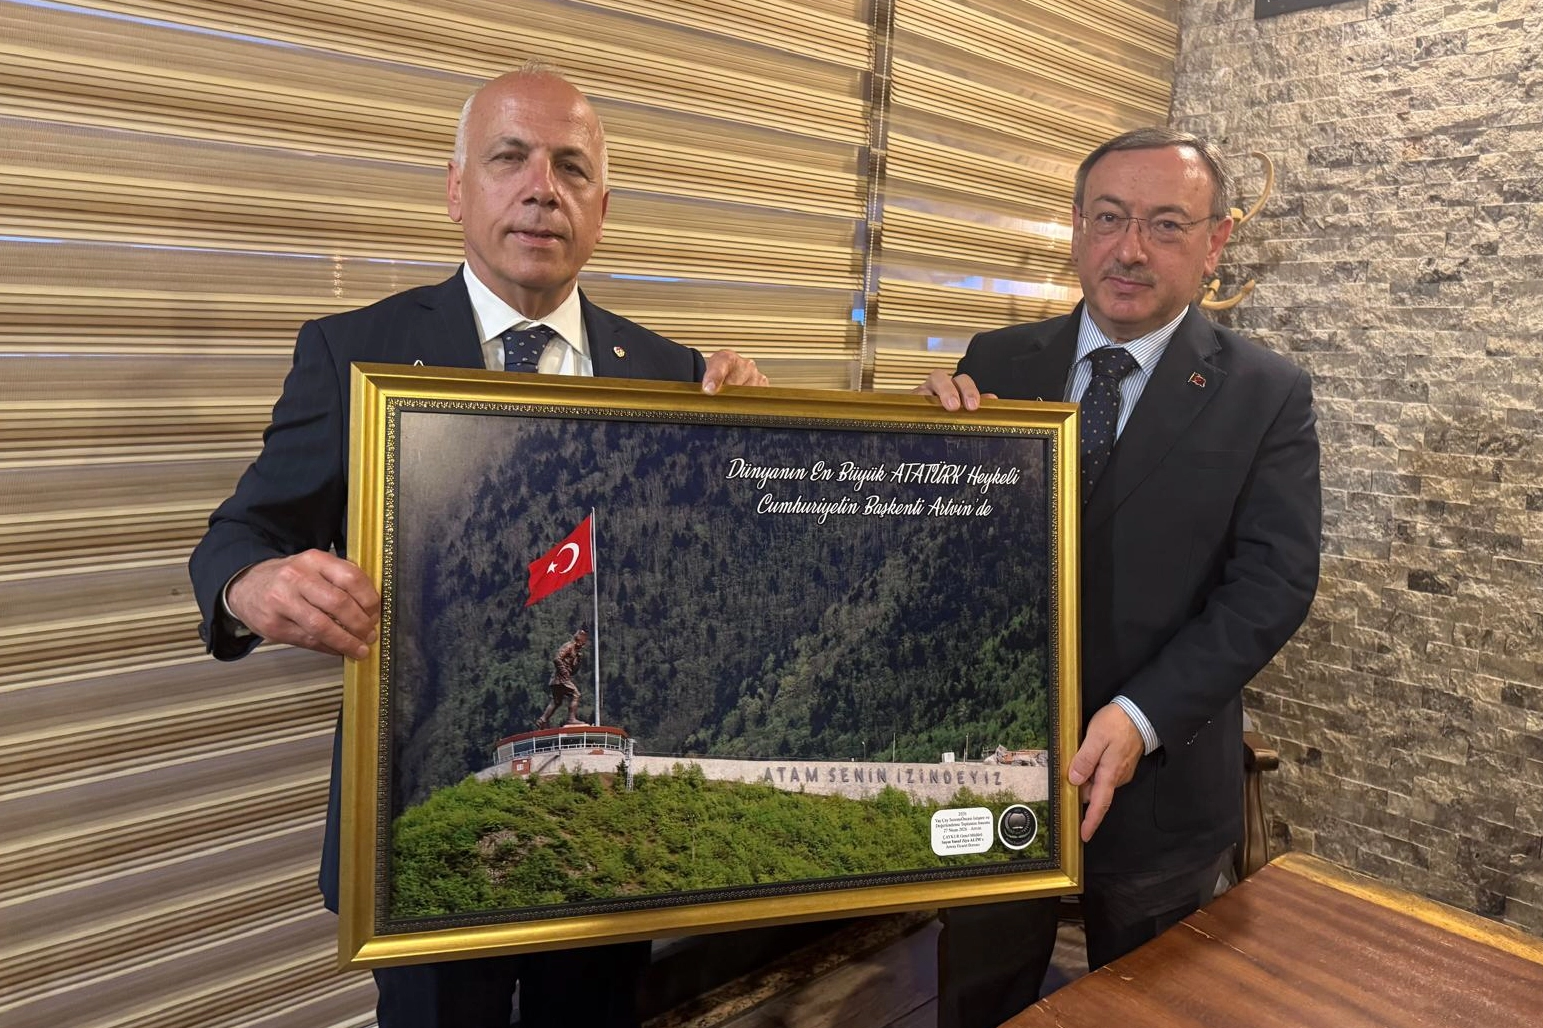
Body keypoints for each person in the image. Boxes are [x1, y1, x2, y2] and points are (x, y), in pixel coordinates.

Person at [188, 64, 766, 1028]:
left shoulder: (673, 373)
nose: (542, 188)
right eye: (509, 158)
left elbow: (711, 574)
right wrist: (252, 583)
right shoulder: (353, 350)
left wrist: (761, 441)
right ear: (457, 190)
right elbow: (239, 534)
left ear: (601, 208)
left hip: (607, 838)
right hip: (419, 827)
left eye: (571, 167)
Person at [917, 128, 1321, 1028]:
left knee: (1147, 1010)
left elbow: (1274, 584)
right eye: (1107, 218)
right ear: (1075, 225)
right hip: (992, 772)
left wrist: (1141, 716)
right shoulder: (996, 362)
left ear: (1214, 243)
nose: (1129, 248)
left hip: (1157, 791)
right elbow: (946, 559)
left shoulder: (1266, 393)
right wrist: (912, 457)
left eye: (1165, 224)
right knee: (976, 999)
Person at [538, 628, 587, 729]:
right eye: (582, 642)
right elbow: (557, 659)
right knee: (576, 694)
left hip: (561, 678)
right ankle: (571, 719)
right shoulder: (569, 646)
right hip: (561, 678)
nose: (582, 645)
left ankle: (542, 720)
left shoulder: (576, 652)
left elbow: (573, 671)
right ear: (578, 640)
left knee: (557, 702)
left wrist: (578, 661)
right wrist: (564, 671)